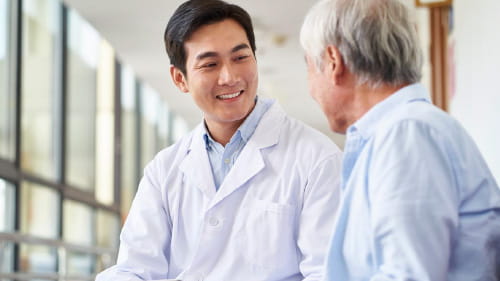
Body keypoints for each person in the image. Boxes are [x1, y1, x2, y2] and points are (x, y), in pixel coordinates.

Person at [96, 0, 342, 280]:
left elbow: (328, 272)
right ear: (180, 79)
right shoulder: (163, 171)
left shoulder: (317, 158)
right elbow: (134, 269)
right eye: (210, 64)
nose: (230, 77)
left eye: (241, 57)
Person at [299, 0, 500, 280]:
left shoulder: (407, 135)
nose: (310, 89)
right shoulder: (403, 133)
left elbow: (408, 275)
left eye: (309, 67)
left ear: (333, 62)